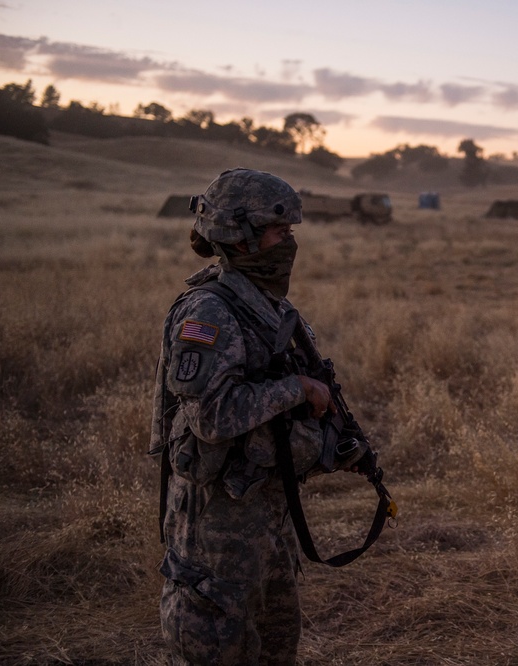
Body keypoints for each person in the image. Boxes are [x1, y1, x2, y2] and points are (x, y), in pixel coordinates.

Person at [149, 168, 340, 664]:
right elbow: (211, 416)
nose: (289, 243)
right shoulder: (209, 312)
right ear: (242, 235)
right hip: (215, 520)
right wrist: (296, 389)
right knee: (215, 645)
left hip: (262, 511)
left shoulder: (266, 304)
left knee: (276, 642)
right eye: (280, 231)